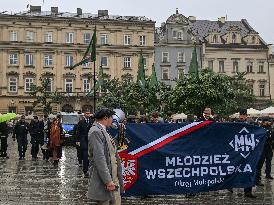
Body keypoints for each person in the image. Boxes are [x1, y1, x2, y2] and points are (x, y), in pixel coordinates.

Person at [87, 108, 124, 205]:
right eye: (111, 117)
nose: (112, 120)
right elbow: (99, 158)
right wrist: (108, 181)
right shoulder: (95, 131)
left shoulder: (103, 130)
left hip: (112, 176)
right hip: (105, 180)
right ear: (105, 118)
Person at [236, 109, 258, 198]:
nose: (241, 116)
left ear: (246, 115)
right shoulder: (235, 123)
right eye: (241, 115)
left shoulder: (251, 123)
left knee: (249, 169)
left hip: (249, 151)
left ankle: (248, 191)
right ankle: (230, 185)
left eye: (243, 115)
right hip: (237, 151)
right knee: (235, 169)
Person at [77, 112, 93, 177]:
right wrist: (78, 140)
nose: (88, 114)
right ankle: (85, 170)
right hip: (83, 141)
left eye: (89, 113)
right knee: (85, 155)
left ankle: (90, 169)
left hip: (90, 140)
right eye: (86, 113)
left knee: (91, 156)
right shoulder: (81, 122)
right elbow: (78, 132)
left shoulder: (92, 121)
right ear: (84, 115)